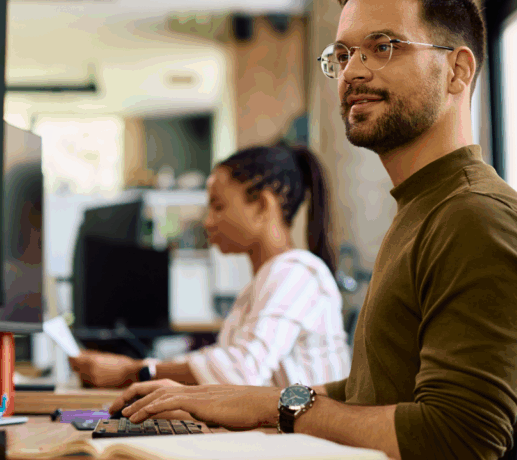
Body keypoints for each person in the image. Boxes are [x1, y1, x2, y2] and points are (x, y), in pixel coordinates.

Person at [107, 0, 517, 460]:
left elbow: (460, 439)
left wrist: (275, 408)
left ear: (456, 71)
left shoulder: (474, 217)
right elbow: (372, 396)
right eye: (343, 54)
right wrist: (237, 398)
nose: (354, 71)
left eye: (383, 47)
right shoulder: (424, 209)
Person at [69, 143, 351, 389]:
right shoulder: (264, 283)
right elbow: (224, 367)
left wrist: (133, 372)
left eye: (218, 206)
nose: (208, 222)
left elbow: (240, 370)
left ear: (263, 206)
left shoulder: (296, 272)